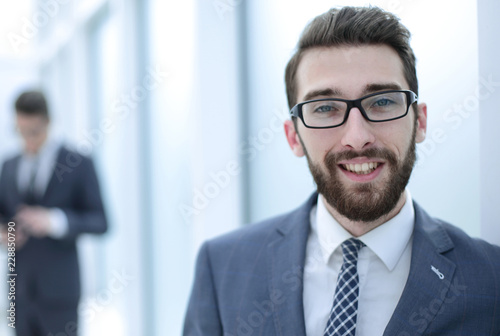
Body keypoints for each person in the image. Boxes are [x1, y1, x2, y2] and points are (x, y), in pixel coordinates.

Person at [183, 6, 500, 336]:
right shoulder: (222, 269)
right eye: (325, 108)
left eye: (382, 101)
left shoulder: (492, 280)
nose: (358, 138)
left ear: (419, 121)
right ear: (294, 137)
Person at [0, 90, 108, 335]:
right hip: (19, 290)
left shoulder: (78, 163)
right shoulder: (9, 165)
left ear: (48, 122)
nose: (28, 139)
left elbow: (101, 221)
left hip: (60, 293)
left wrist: (55, 221)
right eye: (20, 131)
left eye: (34, 132)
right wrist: (4, 234)